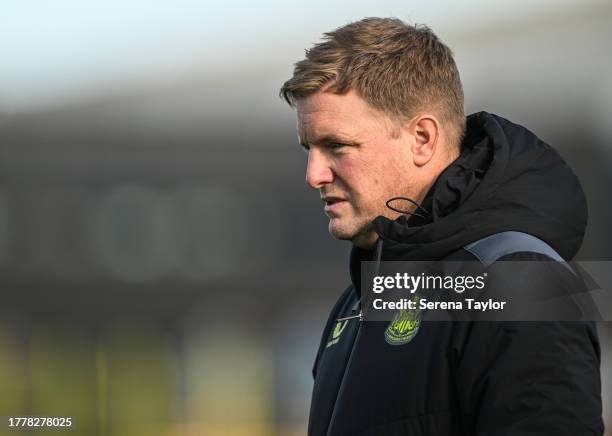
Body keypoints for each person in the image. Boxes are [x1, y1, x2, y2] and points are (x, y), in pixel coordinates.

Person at [279, 17, 603, 436]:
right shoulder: (358, 300)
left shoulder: (522, 287)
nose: (314, 175)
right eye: (310, 149)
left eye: (337, 146)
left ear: (422, 139)